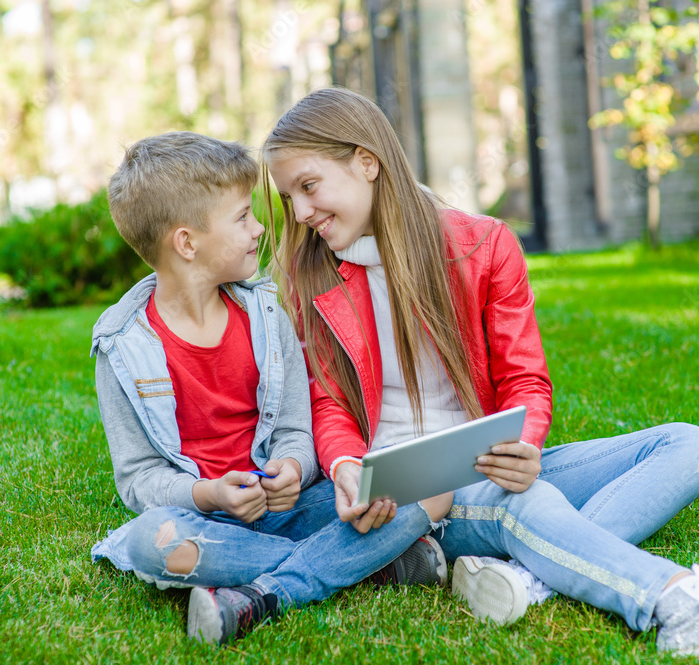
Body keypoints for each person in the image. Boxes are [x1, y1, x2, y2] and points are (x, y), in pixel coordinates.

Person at [261, 88, 699, 659]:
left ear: (367, 162)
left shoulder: (484, 247)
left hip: (482, 462)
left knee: (685, 445)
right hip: (413, 495)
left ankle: (529, 576)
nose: (301, 213)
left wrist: (524, 442)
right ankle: (678, 605)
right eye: (290, 198)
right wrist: (345, 466)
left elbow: (526, 382)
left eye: (308, 187)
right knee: (524, 504)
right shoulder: (311, 275)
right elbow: (328, 402)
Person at [89, 131, 452, 647]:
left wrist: (293, 467)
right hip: (204, 522)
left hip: (292, 508)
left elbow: (293, 430)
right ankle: (361, 565)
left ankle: (267, 590)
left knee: (428, 488)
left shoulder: (264, 316)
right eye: (242, 217)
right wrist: (208, 494)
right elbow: (139, 480)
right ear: (187, 243)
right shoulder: (122, 347)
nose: (260, 227)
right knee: (156, 544)